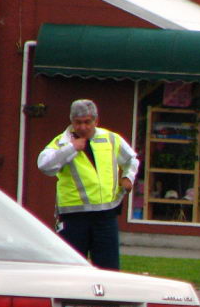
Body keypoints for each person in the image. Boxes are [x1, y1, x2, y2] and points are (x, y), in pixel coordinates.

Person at [38, 99, 139, 270]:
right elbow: (45, 166)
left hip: (106, 214)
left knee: (109, 269)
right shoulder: (61, 142)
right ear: (71, 122)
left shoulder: (111, 139)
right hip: (74, 216)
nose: (83, 127)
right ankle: (72, 298)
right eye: (78, 123)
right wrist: (71, 148)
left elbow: (131, 159)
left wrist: (128, 177)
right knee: (72, 269)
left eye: (87, 122)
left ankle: (107, 297)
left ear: (96, 121)